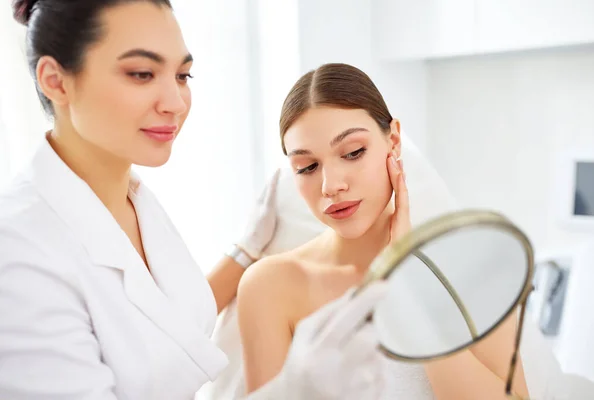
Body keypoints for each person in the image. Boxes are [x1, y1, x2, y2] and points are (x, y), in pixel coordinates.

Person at [0, 1, 391, 399]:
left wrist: (246, 250)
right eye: (141, 74)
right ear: (56, 81)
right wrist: (292, 391)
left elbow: (172, 329)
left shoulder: (133, 201)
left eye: (183, 75)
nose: (175, 102)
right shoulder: (19, 252)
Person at [237, 63, 531, 400]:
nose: (331, 186)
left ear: (393, 141)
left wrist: (409, 288)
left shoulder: (472, 268)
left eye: (353, 152)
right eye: (307, 167)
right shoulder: (270, 286)